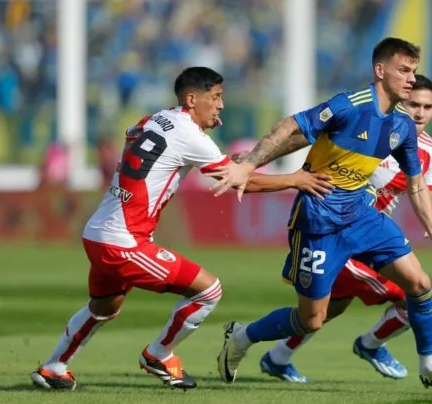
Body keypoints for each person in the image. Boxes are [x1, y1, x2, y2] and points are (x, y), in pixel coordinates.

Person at [30, 67, 333, 391]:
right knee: (208, 290)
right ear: (192, 99)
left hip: (98, 232)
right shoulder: (190, 136)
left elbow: (139, 138)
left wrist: (213, 152)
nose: (221, 106)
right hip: (125, 241)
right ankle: (159, 354)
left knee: (104, 307)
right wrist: (296, 180)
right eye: (215, 97)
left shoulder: (155, 118)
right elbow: (239, 180)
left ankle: (53, 367)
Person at [210, 38, 432, 390]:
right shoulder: (349, 106)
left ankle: (430, 364)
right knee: (312, 319)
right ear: (380, 71)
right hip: (318, 221)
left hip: (362, 217)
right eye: (403, 70)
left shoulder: (402, 126)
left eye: (413, 71)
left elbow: (417, 185)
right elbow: (291, 127)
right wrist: (250, 165)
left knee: (419, 283)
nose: (411, 78)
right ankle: (242, 337)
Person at [259, 74, 432, 383]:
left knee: (329, 309)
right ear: (400, 101)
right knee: (411, 295)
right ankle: (371, 344)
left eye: (428, 106)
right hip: (335, 233)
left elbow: (426, 195)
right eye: (414, 104)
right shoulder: (367, 130)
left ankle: (277, 357)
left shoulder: (429, 152)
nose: (420, 113)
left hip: (367, 239)